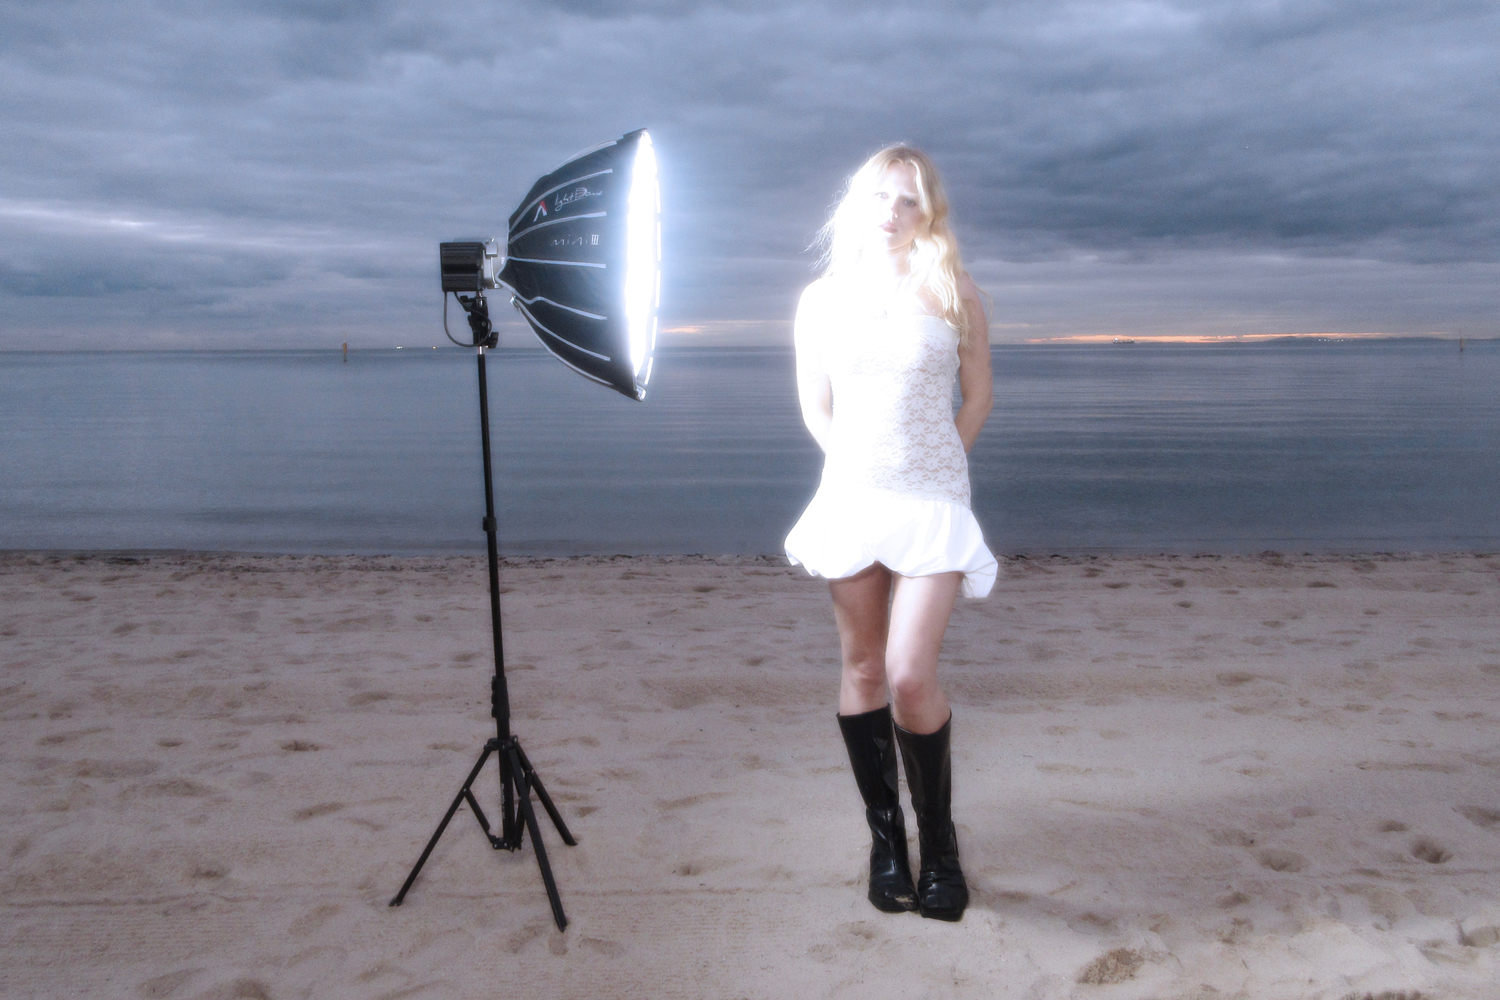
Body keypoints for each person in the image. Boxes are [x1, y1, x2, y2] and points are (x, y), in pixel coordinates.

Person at [785, 145, 996, 922]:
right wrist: (852, 468)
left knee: (910, 673)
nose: (893, 212)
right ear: (858, 202)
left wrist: (941, 464)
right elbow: (816, 406)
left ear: (927, 211)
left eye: (909, 199)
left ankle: (940, 845)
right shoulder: (821, 299)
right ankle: (886, 844)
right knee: (865, 667)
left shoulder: (955, 289)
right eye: (881, 195)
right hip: (853, 497)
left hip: (933, 502)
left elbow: (978, 395)